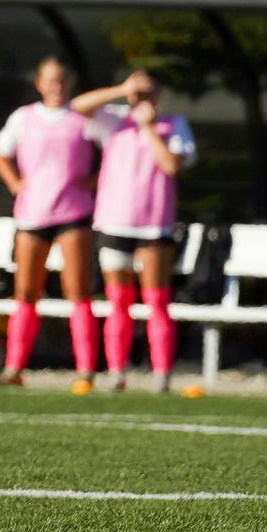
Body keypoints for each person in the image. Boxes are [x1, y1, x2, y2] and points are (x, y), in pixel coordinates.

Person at [76, 70, 195, 393]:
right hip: (115, 222)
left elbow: (172, 165)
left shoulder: (174, 125)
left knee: (156, 300)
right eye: (136, 91)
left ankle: (161, 373)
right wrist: (120, 89)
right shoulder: (113, 121)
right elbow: (77, 107)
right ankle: (116, 371)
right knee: (118, 300)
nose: (141, 97)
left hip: (154, 224)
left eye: (147, 91)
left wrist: (147, 127)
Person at [0, 57, 101, 390]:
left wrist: (95, 180)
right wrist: (14, 183)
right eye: (51, 80)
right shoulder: (23, 118)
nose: (57, 86)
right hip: (33, 214)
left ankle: (86, 370)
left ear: (71, 83)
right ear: (39, 83)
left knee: (78, 290)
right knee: (25, 290)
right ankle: (14, 368)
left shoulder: (83, 118)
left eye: (63, 80)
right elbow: (0, 152)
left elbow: (116, 148)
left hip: (73, 213)